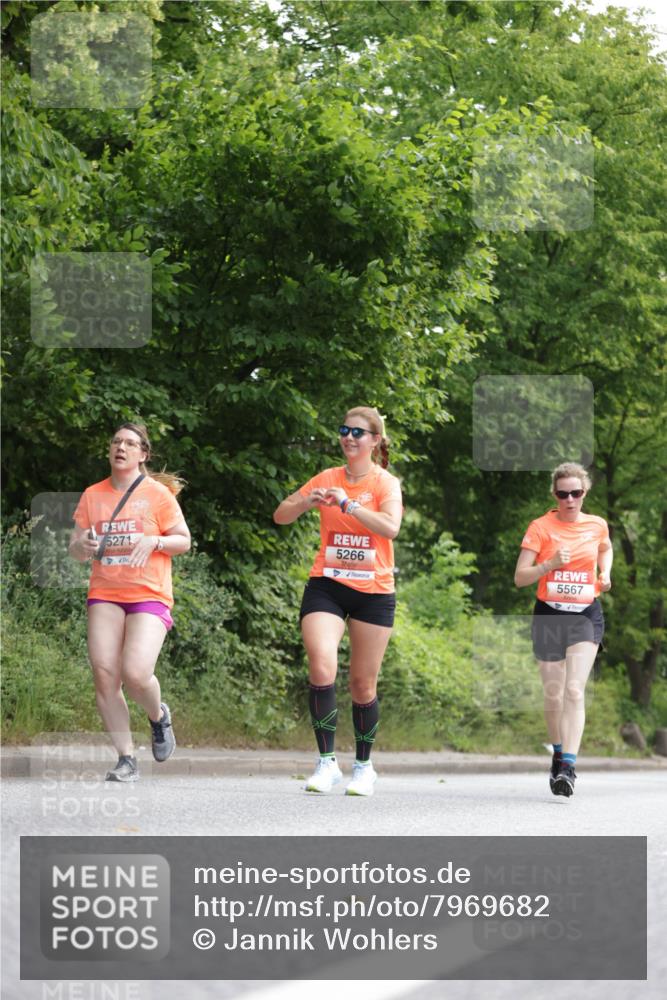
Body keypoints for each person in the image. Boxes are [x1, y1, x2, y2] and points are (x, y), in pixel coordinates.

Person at [273, 407, 402, 797]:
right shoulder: (327, 477)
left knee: (363, 685)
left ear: (375, 440)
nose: (349, 437)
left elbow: (390, 528)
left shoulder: (385, 484)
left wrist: (348, 505)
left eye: (358, 433)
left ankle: (364, 767)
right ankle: (326, 763)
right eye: (344, 430)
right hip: (327, 584)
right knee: (321, 662)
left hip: (374, 592)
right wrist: (306, 502)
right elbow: (280, 515)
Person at [69, 422, 191, 782]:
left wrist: (154, 542)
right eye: (116, 442)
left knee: (135, 672)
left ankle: (158, 716)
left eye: (130, 443)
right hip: (106, 591)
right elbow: (75, 549)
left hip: (149, 592)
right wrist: (82, 547)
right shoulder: (93, 495)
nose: (121, 447)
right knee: (105, 674)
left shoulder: (157, 495)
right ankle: (126, 758)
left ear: (143, 454)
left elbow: (182, 540)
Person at [514, 462, 612, 797]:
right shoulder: (540, 527)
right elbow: (520, 577)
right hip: (549, 615)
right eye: (562, 493)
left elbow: (606, 547)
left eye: (576, 493)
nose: (569, 499)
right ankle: (557, 750)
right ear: (554, 495)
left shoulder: (597, 525)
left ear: (584, 493)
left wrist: (606, 573)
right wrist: (550, 564)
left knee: (574, 690)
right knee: (554, 692)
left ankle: (568, 766)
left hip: (585, 615)